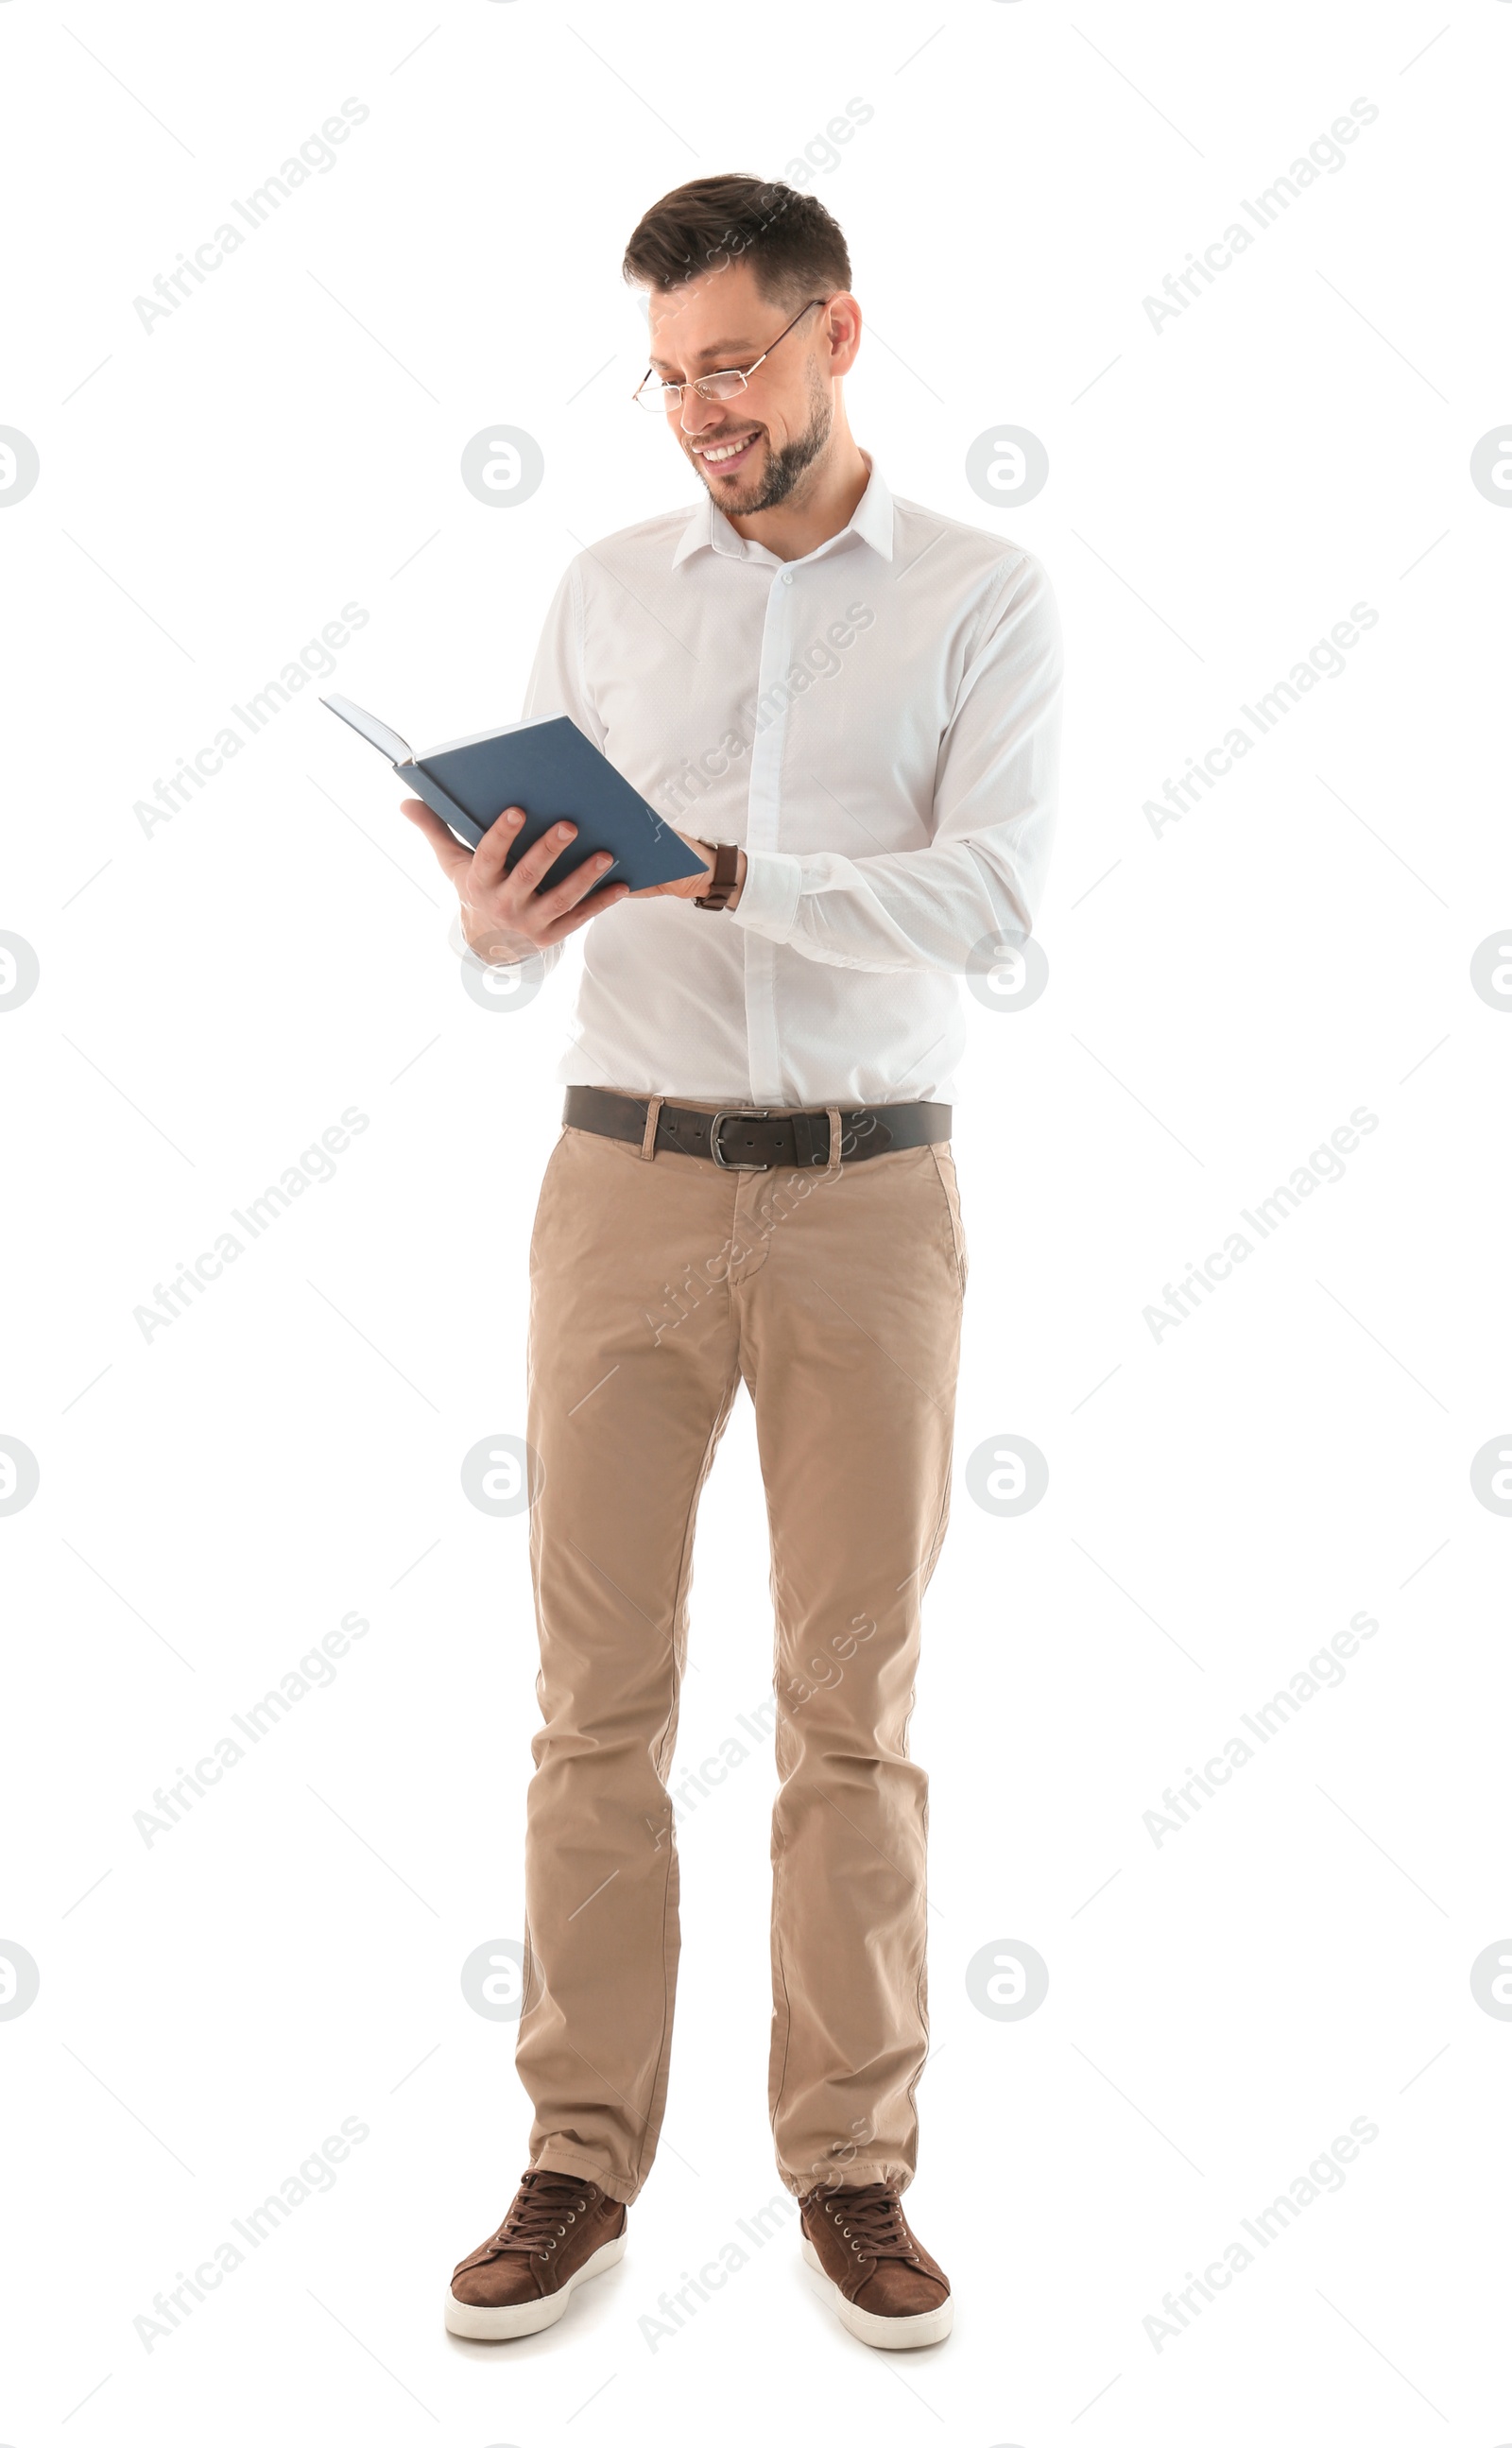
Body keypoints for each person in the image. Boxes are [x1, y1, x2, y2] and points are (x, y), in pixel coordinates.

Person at [404, 172, 1062, 2352]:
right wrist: (498, 924)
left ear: (835, 336)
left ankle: (850, 2167)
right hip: (623, 1186)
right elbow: (525, 926)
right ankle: (576, 2155)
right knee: (591, 1704)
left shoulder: (980, 596)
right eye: (671, 377)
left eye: (735, 365)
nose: (701, 411)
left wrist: (721, 869)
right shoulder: (603, 588)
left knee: (843, 1710)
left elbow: (984, 907)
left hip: (873, 1201)